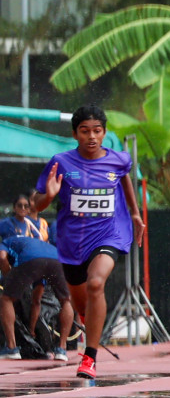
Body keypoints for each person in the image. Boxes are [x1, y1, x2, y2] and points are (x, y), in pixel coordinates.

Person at [32, 105, 143, 379]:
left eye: (97, 131)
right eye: (85, 131)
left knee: (96, 283)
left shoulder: (118, 160)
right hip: (73, 242)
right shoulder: (61, 162)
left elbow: (125, 181)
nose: (92, 137)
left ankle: (89, 359)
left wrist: (135, 214)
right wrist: (49, 196)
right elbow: (37, 203)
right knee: (83, 305)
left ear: (104, 132)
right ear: (74, 134)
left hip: (110, 233)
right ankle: (89, 325)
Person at [0, 233, 72, 361]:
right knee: (66, 301)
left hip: (30, 259)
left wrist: (8, 277)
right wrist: (31, 329)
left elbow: (2, 257)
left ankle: (11, 348)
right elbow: (36, 300)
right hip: (57, 260)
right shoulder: (38, 246)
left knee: (6, 299)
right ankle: (62, 349)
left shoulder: (6, 241)